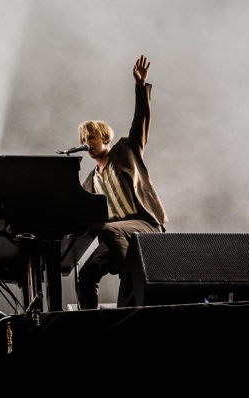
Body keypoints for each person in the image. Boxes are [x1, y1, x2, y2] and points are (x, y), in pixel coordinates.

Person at [76, 54, 168, 310]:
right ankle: (91, 326)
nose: (87, 142)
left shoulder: (126, 150)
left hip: (144, 224)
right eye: (84, 138)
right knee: (87, 275)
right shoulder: (90, 181)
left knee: (108, 230)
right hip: (116, 235)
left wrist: (140, 87)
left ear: (104, 137)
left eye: (91, 136)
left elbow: (141, 122)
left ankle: (140, 282)